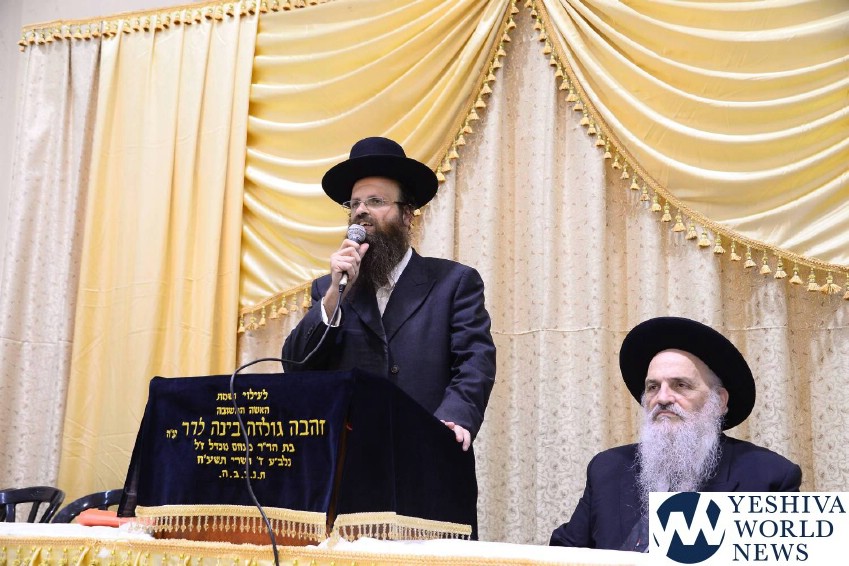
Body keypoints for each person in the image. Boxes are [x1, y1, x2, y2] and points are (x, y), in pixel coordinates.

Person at [282, 136, 496, 451]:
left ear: (407, 215)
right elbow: (296, 365)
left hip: (428, 450)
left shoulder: (454, 282)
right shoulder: (330, 290)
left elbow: (474, 361)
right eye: (354, 204)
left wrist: (453, 419)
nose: (361, 211)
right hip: (350, 461)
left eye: (376, 201)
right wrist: (334, 295)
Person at [550, 316, 802, 551]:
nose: (662, 398)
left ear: (719, 402)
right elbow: (564, 552)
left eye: (681, 385)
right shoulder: (607, 468)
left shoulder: (769, 477)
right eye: (653, 387)